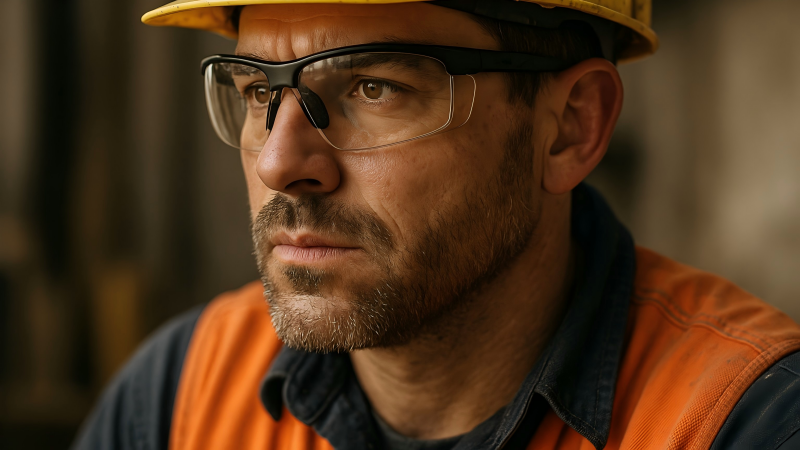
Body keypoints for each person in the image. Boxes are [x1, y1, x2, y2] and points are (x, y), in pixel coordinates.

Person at [72, 1, 800, 449]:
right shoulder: (180, 398)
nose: (280, 163)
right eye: (261, 90)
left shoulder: (745, 424)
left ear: (571, 128)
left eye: (373, 87)